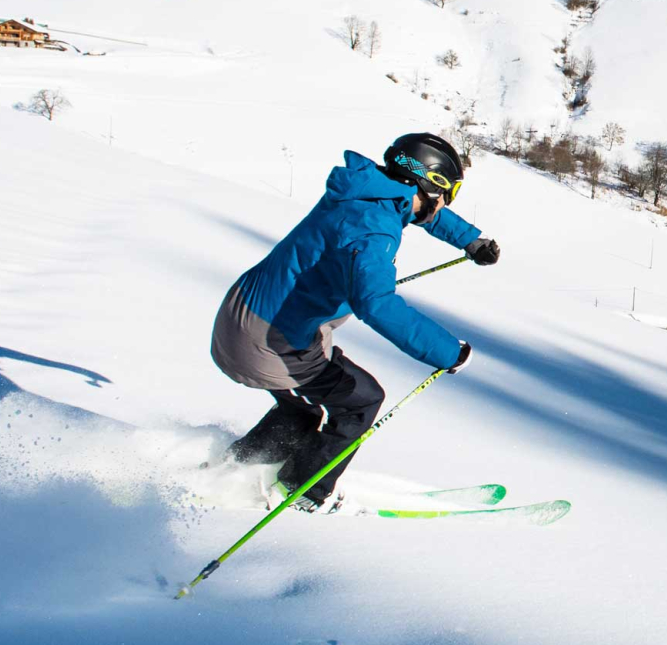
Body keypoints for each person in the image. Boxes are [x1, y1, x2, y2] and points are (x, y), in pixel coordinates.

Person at [210, 132, 500, 513]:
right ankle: (301, 492)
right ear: (426, 183)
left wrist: (470, 240)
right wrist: (449, 352)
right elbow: (376, 304)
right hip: (268, 338)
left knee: (304, 408)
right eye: (447, 191)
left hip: (248, 313)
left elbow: (419, 211)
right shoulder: (372, 229)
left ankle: (234, 468)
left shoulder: (367, 191)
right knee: (360, 400)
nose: (445, 201)